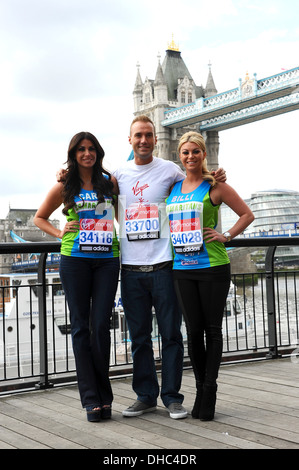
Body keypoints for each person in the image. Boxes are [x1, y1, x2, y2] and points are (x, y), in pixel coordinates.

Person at [114, 116, 226, 419]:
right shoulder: (117, 174)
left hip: (165, 265)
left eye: (149, 135)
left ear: (155, 138)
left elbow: (196, 179)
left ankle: (172, 397)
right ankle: (145, 396)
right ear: (130, 140)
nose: (144, 140)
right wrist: (64, 173)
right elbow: (89, 187)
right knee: (138, 338)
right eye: (138, 135)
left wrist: (218, 176)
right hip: (131, 268)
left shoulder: (170, 170)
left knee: (171, 336)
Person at [166, 131, 254, 421]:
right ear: (180, 156)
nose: (190, 157)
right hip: (182, 268)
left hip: (212, 266)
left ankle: (209, 392)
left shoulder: (215, 186)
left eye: (195, 152)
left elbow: (246, 214)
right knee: (192, 332)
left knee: (212, 331)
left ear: (204, 154)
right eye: (185, 152)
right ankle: (200, 389)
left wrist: (225, 235)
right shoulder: (174, 188)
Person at [34, 132, 120, 422]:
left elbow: (124, 213)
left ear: (98, 152)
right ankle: (91, 400)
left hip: (108, 260)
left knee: (101, 327)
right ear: (73, 154)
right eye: (81, 149)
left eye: (91, 148)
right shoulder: (64, 184)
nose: (87, 153)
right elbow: (39, 217)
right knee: (81, 328)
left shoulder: (109, 184)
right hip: (75, 260)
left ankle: (105, 395)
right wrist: (60, 233)